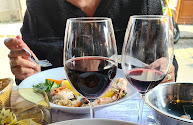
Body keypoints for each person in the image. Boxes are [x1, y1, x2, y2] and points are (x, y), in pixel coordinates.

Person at [4, 0, 177, 83]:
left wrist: (167, 69)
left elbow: (165, 59)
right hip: (62, 115)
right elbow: (30, 70)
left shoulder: (143, 2)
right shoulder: (39, 5)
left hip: (129, 114)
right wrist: (27, 71)